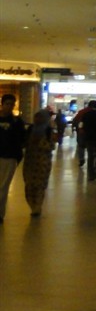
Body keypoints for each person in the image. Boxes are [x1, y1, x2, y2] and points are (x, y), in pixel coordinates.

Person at [0, 94, 28, 224]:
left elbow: (22, 139)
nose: (9, 106)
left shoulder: (17, 122)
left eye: (11, 104)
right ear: (2, 104)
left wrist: (17, 155)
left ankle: (0, 214)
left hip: (9, 157)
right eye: (7, 104)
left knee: (3, 186)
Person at [23, 109, 56, 217]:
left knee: (40, 185)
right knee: (29, 185)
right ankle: (32, 205)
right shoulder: (30, 129)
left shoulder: (49, 131)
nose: (38, 119)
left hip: (43, 161)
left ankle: (37, 207)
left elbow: (52, 146)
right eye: (36, 117)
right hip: (30, 162)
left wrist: (40, 142)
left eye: (40, 117)